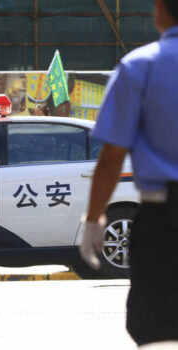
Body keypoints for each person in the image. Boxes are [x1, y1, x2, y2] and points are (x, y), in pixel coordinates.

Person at [80, 0, 178, 346]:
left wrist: (94, 218)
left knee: (157, 330)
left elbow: (112, 156)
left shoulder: (140, 66)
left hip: (166, 220)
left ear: (161, 11)